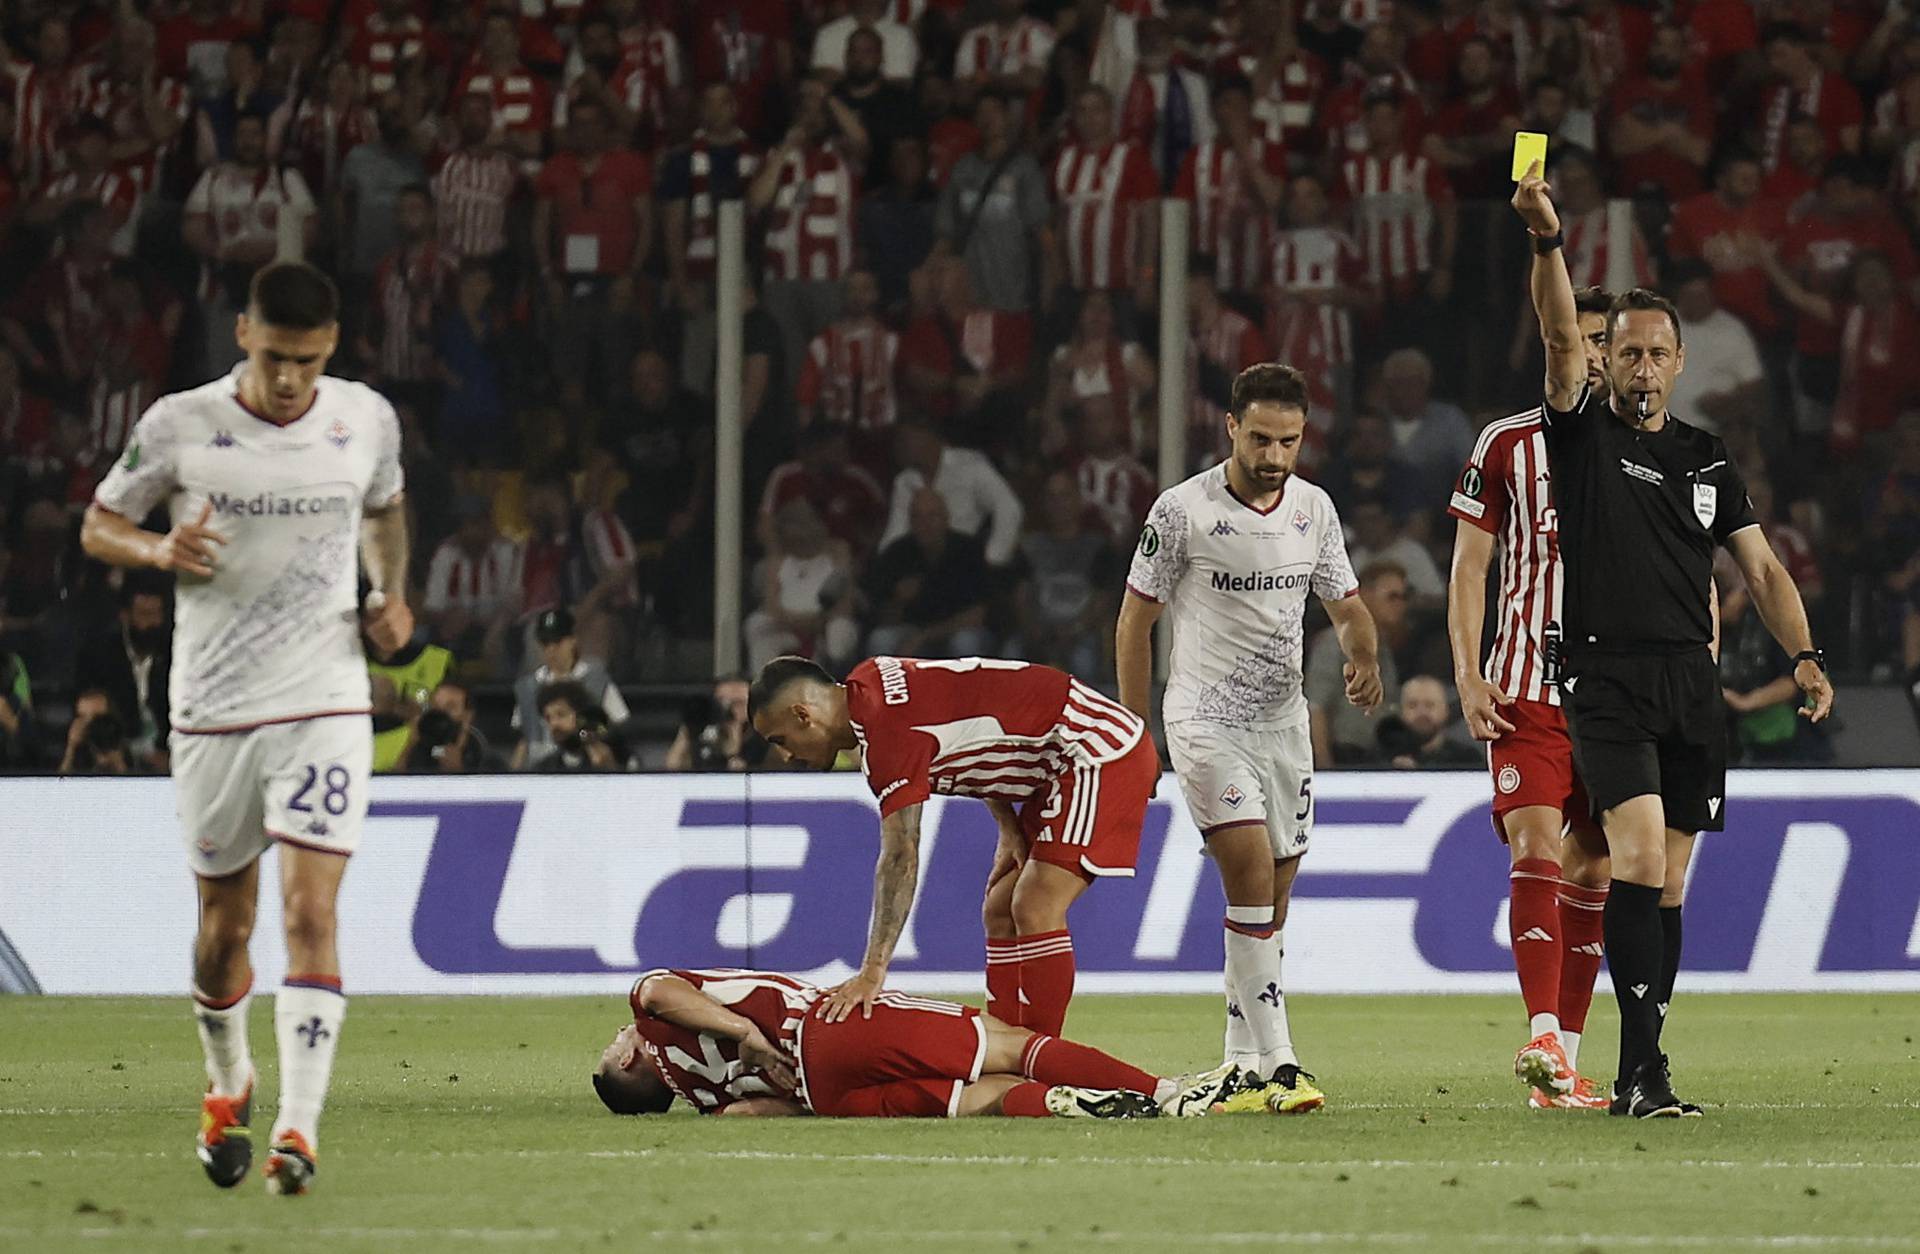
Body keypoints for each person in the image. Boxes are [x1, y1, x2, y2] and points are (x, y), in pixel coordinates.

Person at [80, 261, 412, 1193]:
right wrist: (155, 547)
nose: (289, 379)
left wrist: (390, 596)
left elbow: (386, 510)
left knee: (311, 914)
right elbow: (99, 524)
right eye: (273, 357)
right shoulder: (181, 424)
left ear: (331, 349)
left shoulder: (365, 419)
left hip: (326, 696)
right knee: (224, 930)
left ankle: (298, 1133)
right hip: (215, 708)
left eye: (306, 361)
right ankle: (229, 1081)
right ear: (242, 336)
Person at [1513, 159, 1831, 1118]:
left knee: (1673, 878)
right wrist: (1547, 239)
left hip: (1692, 683)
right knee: (1638, 857)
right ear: (1606, 362)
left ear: (1680, 363)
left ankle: (1643, 1070)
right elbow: (1559, 332)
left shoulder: (1706, 457)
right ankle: (1634, 1072)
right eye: (1627, 352)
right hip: (1607, 678)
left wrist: (1804, 656)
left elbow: (1762, 571)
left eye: (1656, 353)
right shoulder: (1580, 433)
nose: (1639, 366)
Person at [1115, 362, 1384, 1116]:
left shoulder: (1313, 510)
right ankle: (1283, 1064)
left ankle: (1238, 1059)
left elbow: (1348, 604)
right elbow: (1137, 620)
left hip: (1283, 725)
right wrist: (1136, 730)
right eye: (1260, 438)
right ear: (1230, 426)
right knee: (1249, 876)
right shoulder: (1181, 512)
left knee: (1275, 892)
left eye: (1289, 441)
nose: (1273, 456)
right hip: (1203, 720)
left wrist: (1364, 656)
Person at [748, 651, 1158, 1040]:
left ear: (803, 715)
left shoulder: (886, 735)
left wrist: (872, 972)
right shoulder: (870, 677)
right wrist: (1008, 826)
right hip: (1050, 762)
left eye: (778, 739)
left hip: (1094, 748)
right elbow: (969, 714)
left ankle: (1038, 1060)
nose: (784, 755)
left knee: (1034, 904)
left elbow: (900, 854)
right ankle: (1006, 1047)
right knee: (1000, 906)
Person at [1446, 281, 1617, 1111]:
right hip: (1525, 688)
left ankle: (1568, 1063)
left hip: (1619, 696)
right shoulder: (1506, 444)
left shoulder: (1639, 449)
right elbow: (1469, 568)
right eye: (1578, 338)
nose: (1590, 354)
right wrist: (1468, 673)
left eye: (1601, 341)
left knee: (1597, 868)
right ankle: (1543, 1031)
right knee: (1535, 848)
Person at [592, 966, 1238, 1120]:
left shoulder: (707, 1104)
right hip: (830, 1029)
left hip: (832, 1103)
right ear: (629, 1058)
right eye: (615, 1043)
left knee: (976, 1098)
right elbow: (656, 992)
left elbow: (758, 1112)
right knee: (1009, 1043)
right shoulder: (654, 1014)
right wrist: (746, 1036)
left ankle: (1065, 1103)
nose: (620, 1035)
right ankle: (1165, 1092)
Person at [73, 572, 172, 771]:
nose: (152, 623)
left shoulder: (174, 654)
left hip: (170, 758)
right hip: (119, 756)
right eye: (144, 615)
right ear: (125, 615)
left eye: (157, 614)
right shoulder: (100, 656)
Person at [510, 607, 629, 769]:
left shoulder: (597, 681)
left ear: (573, 640)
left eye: (557, 642)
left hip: (589, 770)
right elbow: (524, 739)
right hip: (540, 774)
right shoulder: (528, 688)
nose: (551, 650)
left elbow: (618, 727)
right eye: (545, 643)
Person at [1376, 675, 1481, 768]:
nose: (1421, 712)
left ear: (1445, 711)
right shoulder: (1380, 759)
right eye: (1412, 705)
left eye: (1429, 705)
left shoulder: (1468, 760)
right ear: (1401, 711)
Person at [529, 680, 633, 773]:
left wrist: (609, 769)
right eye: (548, 718)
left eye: (561, 714)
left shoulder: (622, 757)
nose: (554, 724)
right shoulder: (543, 769)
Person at [400, 680, 501, 772]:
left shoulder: (479, 751)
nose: (440, 713)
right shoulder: (419, 744)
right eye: (435, 706)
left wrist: (456, 766)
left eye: (450, 707)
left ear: (467, 715)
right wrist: (411, 743)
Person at [58, 687, 137, 775]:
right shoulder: (74, 750)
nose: (89, 723)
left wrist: (118, 761)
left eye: (97, 718)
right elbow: (61, 784)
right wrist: (71, 748)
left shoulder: (128, 746)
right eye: (82, 717)